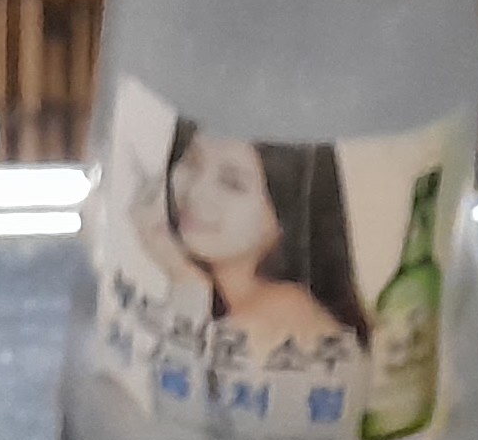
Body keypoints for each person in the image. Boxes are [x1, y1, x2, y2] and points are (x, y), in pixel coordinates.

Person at [157, 124, 371, 355]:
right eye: (191, 162)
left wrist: (185, 281)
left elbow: (173, 371)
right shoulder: (227, 299)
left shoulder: (283, 315)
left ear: (285, 216)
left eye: (232, 184)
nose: (196, 192)